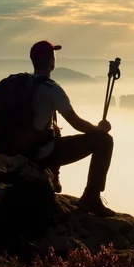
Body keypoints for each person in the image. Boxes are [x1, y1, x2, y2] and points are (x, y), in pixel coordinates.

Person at [25, 40, 116, 217]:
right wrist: (99, 130)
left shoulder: (22, 84)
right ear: (51, 61)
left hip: (17, 151)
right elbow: (76, 123)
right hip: (39, 154)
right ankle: (91, 197)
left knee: (54, 133)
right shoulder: (52, 89)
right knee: (104, 141)